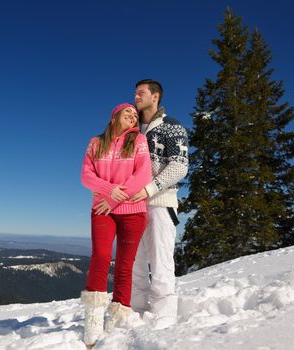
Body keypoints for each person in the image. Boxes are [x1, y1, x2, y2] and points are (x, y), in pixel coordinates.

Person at [80, 103, 151, 347]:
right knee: (100, 256)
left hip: (132, 211)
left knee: (124, 265)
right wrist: (109, 192)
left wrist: (112, 199)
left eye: (135, 114)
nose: (133, 116)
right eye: (127, 112)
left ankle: (116, 320)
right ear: (114, 117)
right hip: (102, 210)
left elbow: (143, 175)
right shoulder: (95, 143)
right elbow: (86, 176)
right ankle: (92, 322)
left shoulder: (139, 141)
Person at [130, 79, 189, 329]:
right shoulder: (131, 130)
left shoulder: (171, 127)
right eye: (134, 93)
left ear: (155, 96)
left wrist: (150, 189)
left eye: (141, 93)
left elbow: (179, 165)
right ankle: (136, 311)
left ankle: (165, 319)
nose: (136, 97)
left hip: (160, 203)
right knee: (134, 260)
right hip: (133, 205)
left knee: (161, 260)